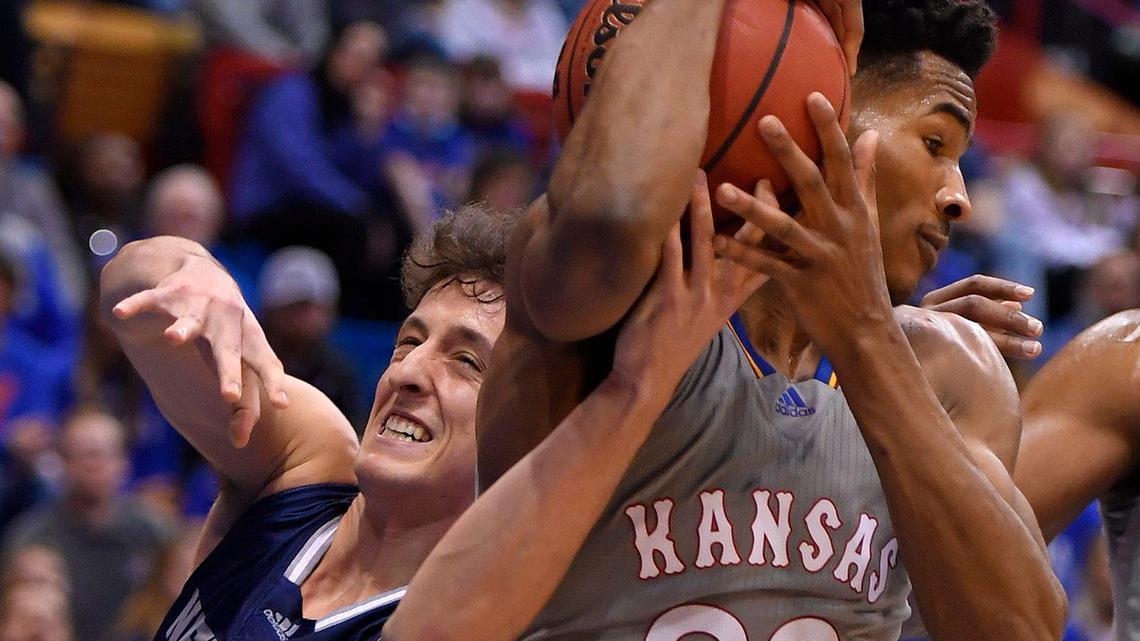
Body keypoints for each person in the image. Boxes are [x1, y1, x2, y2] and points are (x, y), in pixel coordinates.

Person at [475, 1, 1064, 640]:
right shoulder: (622, 307)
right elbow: (613, 212)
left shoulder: (951, 369)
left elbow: (1021, 631)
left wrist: (867, 339)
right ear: (816, 113)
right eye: (933, 144)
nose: (959, 198)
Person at [100, 195, 770, 640]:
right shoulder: (306, 466)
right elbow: (130, 296)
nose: (410, 372)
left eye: (467, 362)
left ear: (531, 426)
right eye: (410, 341)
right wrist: (190, 270)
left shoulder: (491, 615)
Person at [3, 407, 171, 641]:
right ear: (63, 462)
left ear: (124, 462)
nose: (95, 465)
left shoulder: (155, 533)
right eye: (85, 454)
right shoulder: (32, 538)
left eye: (104, 453)